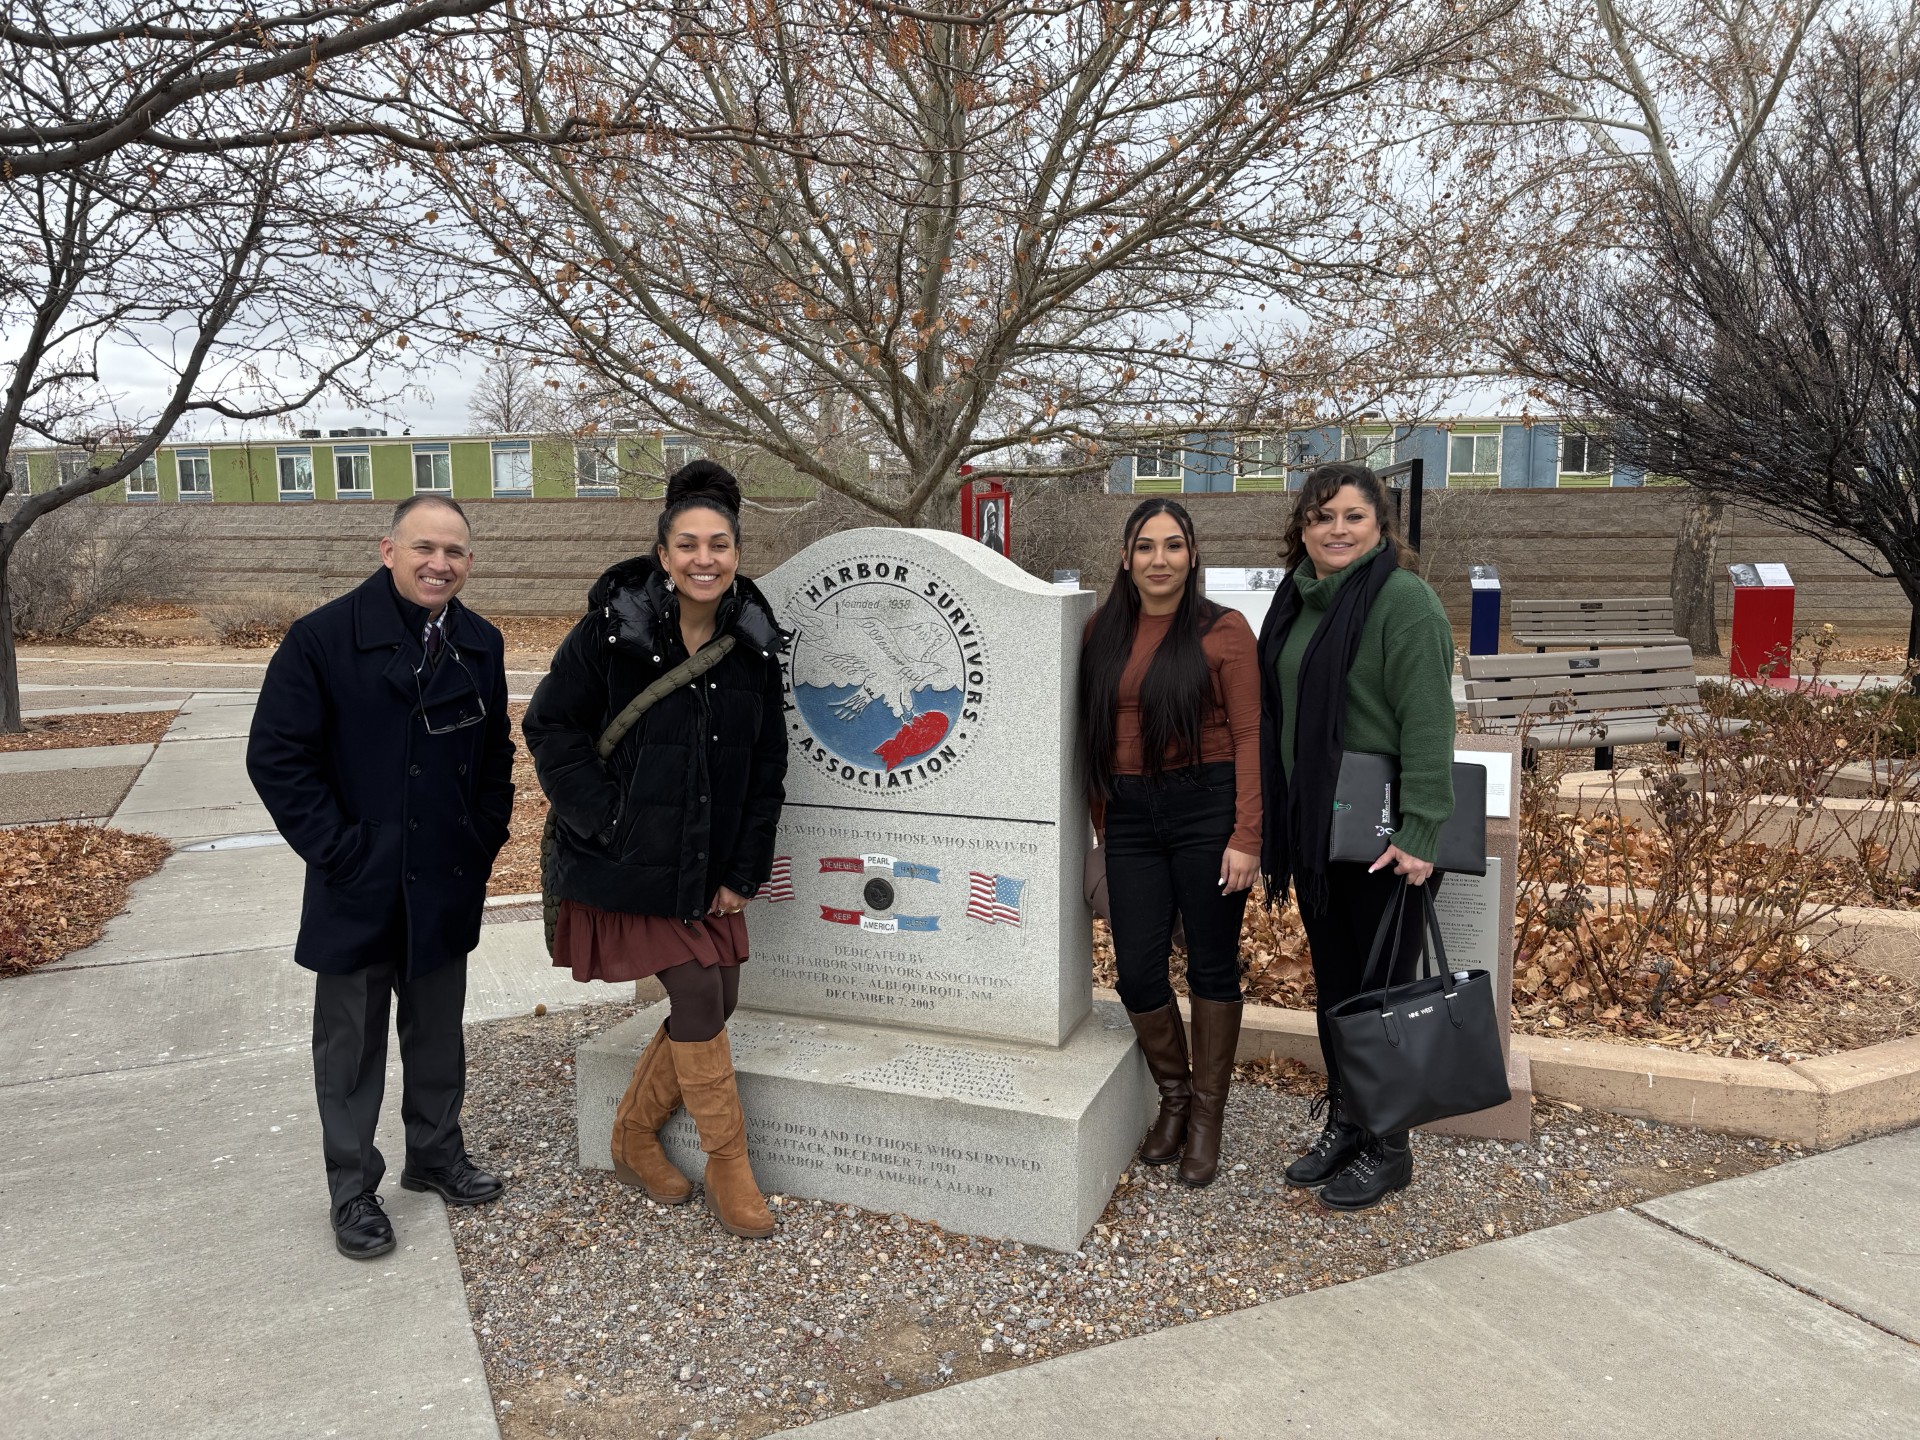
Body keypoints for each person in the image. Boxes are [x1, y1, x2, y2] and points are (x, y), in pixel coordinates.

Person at [523, 462, 788, 1239]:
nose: (704, 559)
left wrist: (744, 868)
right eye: (687, 545)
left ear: (736, 550)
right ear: (664, 553)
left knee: (723, 993)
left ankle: (635, 1136)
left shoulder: (753, 640)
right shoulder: (615, 627)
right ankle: (727, 1165)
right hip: (625, 856)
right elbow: (551, 726)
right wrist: (606, 820)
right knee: (702, 996)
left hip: (708, 862)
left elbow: (768, 764)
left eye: (719, 545)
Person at [247, 495, 515, 1260]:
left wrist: (483, 833)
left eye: (456, 551)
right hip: (355, 881)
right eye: (425, 547)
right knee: (351, 1048)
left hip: (444, 877)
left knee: (437, 1035)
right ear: (387, 549)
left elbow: (494, 752)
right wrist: (340, 851)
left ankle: (435, 1155)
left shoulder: (480, 643)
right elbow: (277, 758)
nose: (441, 564)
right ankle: (353, 1189)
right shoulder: (323, 640)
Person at [1257, 461, 1456, 1212]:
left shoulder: (1402, 601)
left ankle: (1391, 1145)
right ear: (1300, 529)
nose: (1335, 530)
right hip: (1323, 834)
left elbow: (1430, 723)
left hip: (1386, 840)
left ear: (1380, 528)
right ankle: (1349, 1122)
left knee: (1382, 1001)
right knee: (1340, 991)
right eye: (1320, 517)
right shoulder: (1298, 600)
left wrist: (1423, 830)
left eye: (1352, 517)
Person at [1080, 498, 1262, 1188]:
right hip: (1129, 816)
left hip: (1206, 809)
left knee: (1212, 966)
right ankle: (1175, 1098)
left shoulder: (1224, 632)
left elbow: (1249, 738)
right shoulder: (1103, 631)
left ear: (1192, 555)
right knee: (1138, 972)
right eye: (1146, 547)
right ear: (1126, 557)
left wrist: (1247, 837)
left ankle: (1207, 1117)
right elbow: (1094, 732)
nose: (1160, 560)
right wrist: (1103, 820)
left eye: (1173, 546)